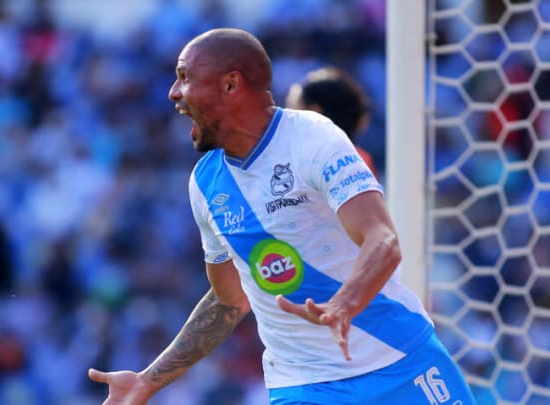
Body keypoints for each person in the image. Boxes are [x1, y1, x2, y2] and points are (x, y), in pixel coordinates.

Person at [88, 28, 475, 405]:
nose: (174, 93)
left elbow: (383, 240)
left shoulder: (312, 137)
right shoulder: (205, 185)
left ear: (230, 85)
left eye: (185, 78)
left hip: (400, 361)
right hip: (303, 386)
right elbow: (230, 301)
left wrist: (344, 304)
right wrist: (148, 381)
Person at [285, 66, 379, 178]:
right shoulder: (360, 160)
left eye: (293, 110)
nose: (287, 118)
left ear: (315, 112)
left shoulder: (305, 166)